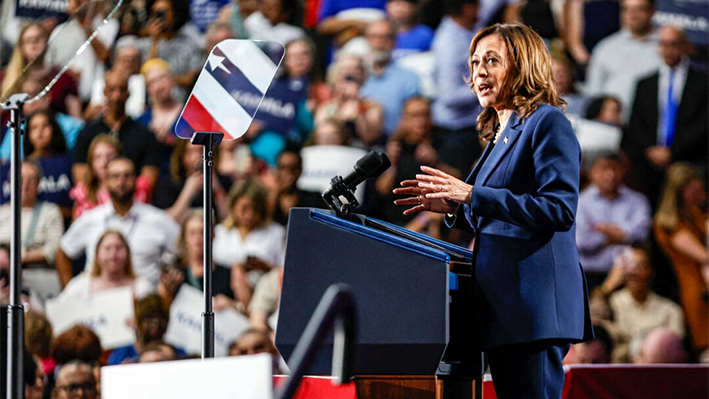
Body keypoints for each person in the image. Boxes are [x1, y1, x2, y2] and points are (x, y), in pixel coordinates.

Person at [393, 24, 593, 399]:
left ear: (522, 66)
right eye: (474, 62)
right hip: (505, 309)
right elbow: (494, 212)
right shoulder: (499, 133)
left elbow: (559, 209)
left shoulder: (547, 122)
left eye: (491, 60)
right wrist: (453, 206)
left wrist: (471, 195)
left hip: (533, 308)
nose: (479, 72)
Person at [57, 157, 180, 287]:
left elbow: (183, 252)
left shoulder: (157, 219)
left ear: (136, 180)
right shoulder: (90, 219)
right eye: (115, 177)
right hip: (98, 299)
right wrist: (69, 291)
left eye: (127, 176)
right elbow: (62, 252)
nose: (121, 182)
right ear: (106, 181)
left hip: (144, 300)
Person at [625, 25, 708, 209]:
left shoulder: (703, 83)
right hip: (650, 167)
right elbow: (636, 124)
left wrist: (673, 152)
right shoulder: (645, 84)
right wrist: (650, 151)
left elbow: (703, 125)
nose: (667, 50)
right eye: (663, 44)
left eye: (673, 44)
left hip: (690, 163)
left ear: (685, 46)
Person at [72, 70, 161, 193]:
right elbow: (81, 177)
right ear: (104, 92)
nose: (117, 96)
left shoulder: (145, 135)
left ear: (129, 93)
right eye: (112, 90)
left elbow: (149, 180)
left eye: (122, 90)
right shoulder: (87, 133)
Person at [653, 162, 708, 355]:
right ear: (682, 191)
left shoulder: (694, 213)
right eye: (695, 189)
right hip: (694, 289)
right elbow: (704, 256)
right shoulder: (668, 224)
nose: (701, 194)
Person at [575, 151, 651, 290]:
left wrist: (605, 231)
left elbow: (642, 233)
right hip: (588, 275)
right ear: (592, 172)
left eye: (615, 168)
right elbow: (581, 241)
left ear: (623, 171)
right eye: (604, 168)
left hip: (628, 277)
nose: (610, 175)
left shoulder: (638, 201)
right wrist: (621, 236)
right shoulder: (579, 202)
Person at [583, 0, 661, 121]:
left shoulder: (665, 49)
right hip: (611, 125)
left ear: (652, 11)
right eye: (627, 9)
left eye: (640, 9)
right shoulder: (605, 48)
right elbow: (593, 93)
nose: (633, 15)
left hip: (651, 125)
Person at [213, 179, 286, 309]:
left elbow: (284, 272)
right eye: (244, 208)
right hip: (221, 296)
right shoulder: (221, 233)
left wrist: (265, 267)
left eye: (255, 209)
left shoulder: (276, 233)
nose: (250, 215)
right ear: (233, 205)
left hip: (261, 296)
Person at [605, 247, 685, 362]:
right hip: (620, 370)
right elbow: (590, 325)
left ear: (650, 271)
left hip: (657, 371)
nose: (633, 272)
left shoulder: (670, 310)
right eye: (628, 266)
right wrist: (608, 286)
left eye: (639, 267)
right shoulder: (612, 303)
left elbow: (674, 349)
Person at [430, 0, 482, 176]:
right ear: (468, 7)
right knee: (459, 190)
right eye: (477, 6)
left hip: (468, 127)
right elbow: (449, 96)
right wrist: (489, 87)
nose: (481, 10)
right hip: (455, 132)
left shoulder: (466, 31)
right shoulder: (449, 43)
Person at [0, 162, 64, 299]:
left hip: (38, 273)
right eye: (20, 179)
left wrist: (20, 257)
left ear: (38, 185)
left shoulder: (50, 211)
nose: (25, 184)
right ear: (10, 184)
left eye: (31, 180)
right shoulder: (1, 213)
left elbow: (54, 250)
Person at [360, 18, 421, 136]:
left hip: (394, 144)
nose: (379, 42)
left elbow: (415, 119)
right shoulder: (354, 72)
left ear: (395, 42)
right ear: (366, 40)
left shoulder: (409, 78)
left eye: (386, 37)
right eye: (374, 37)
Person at [69, 134, 151, 220]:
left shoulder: (137, 187)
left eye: (110, 156)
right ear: (91, 163)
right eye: (98, 157)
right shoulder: (82, 193)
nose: (104, 163)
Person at [59, 230, 154, 300]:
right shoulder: (79, 287)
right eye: (107, 248)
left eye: (119, 248)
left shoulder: (143, 288)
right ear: (97, 255)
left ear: (128, 254)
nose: (113, 255)